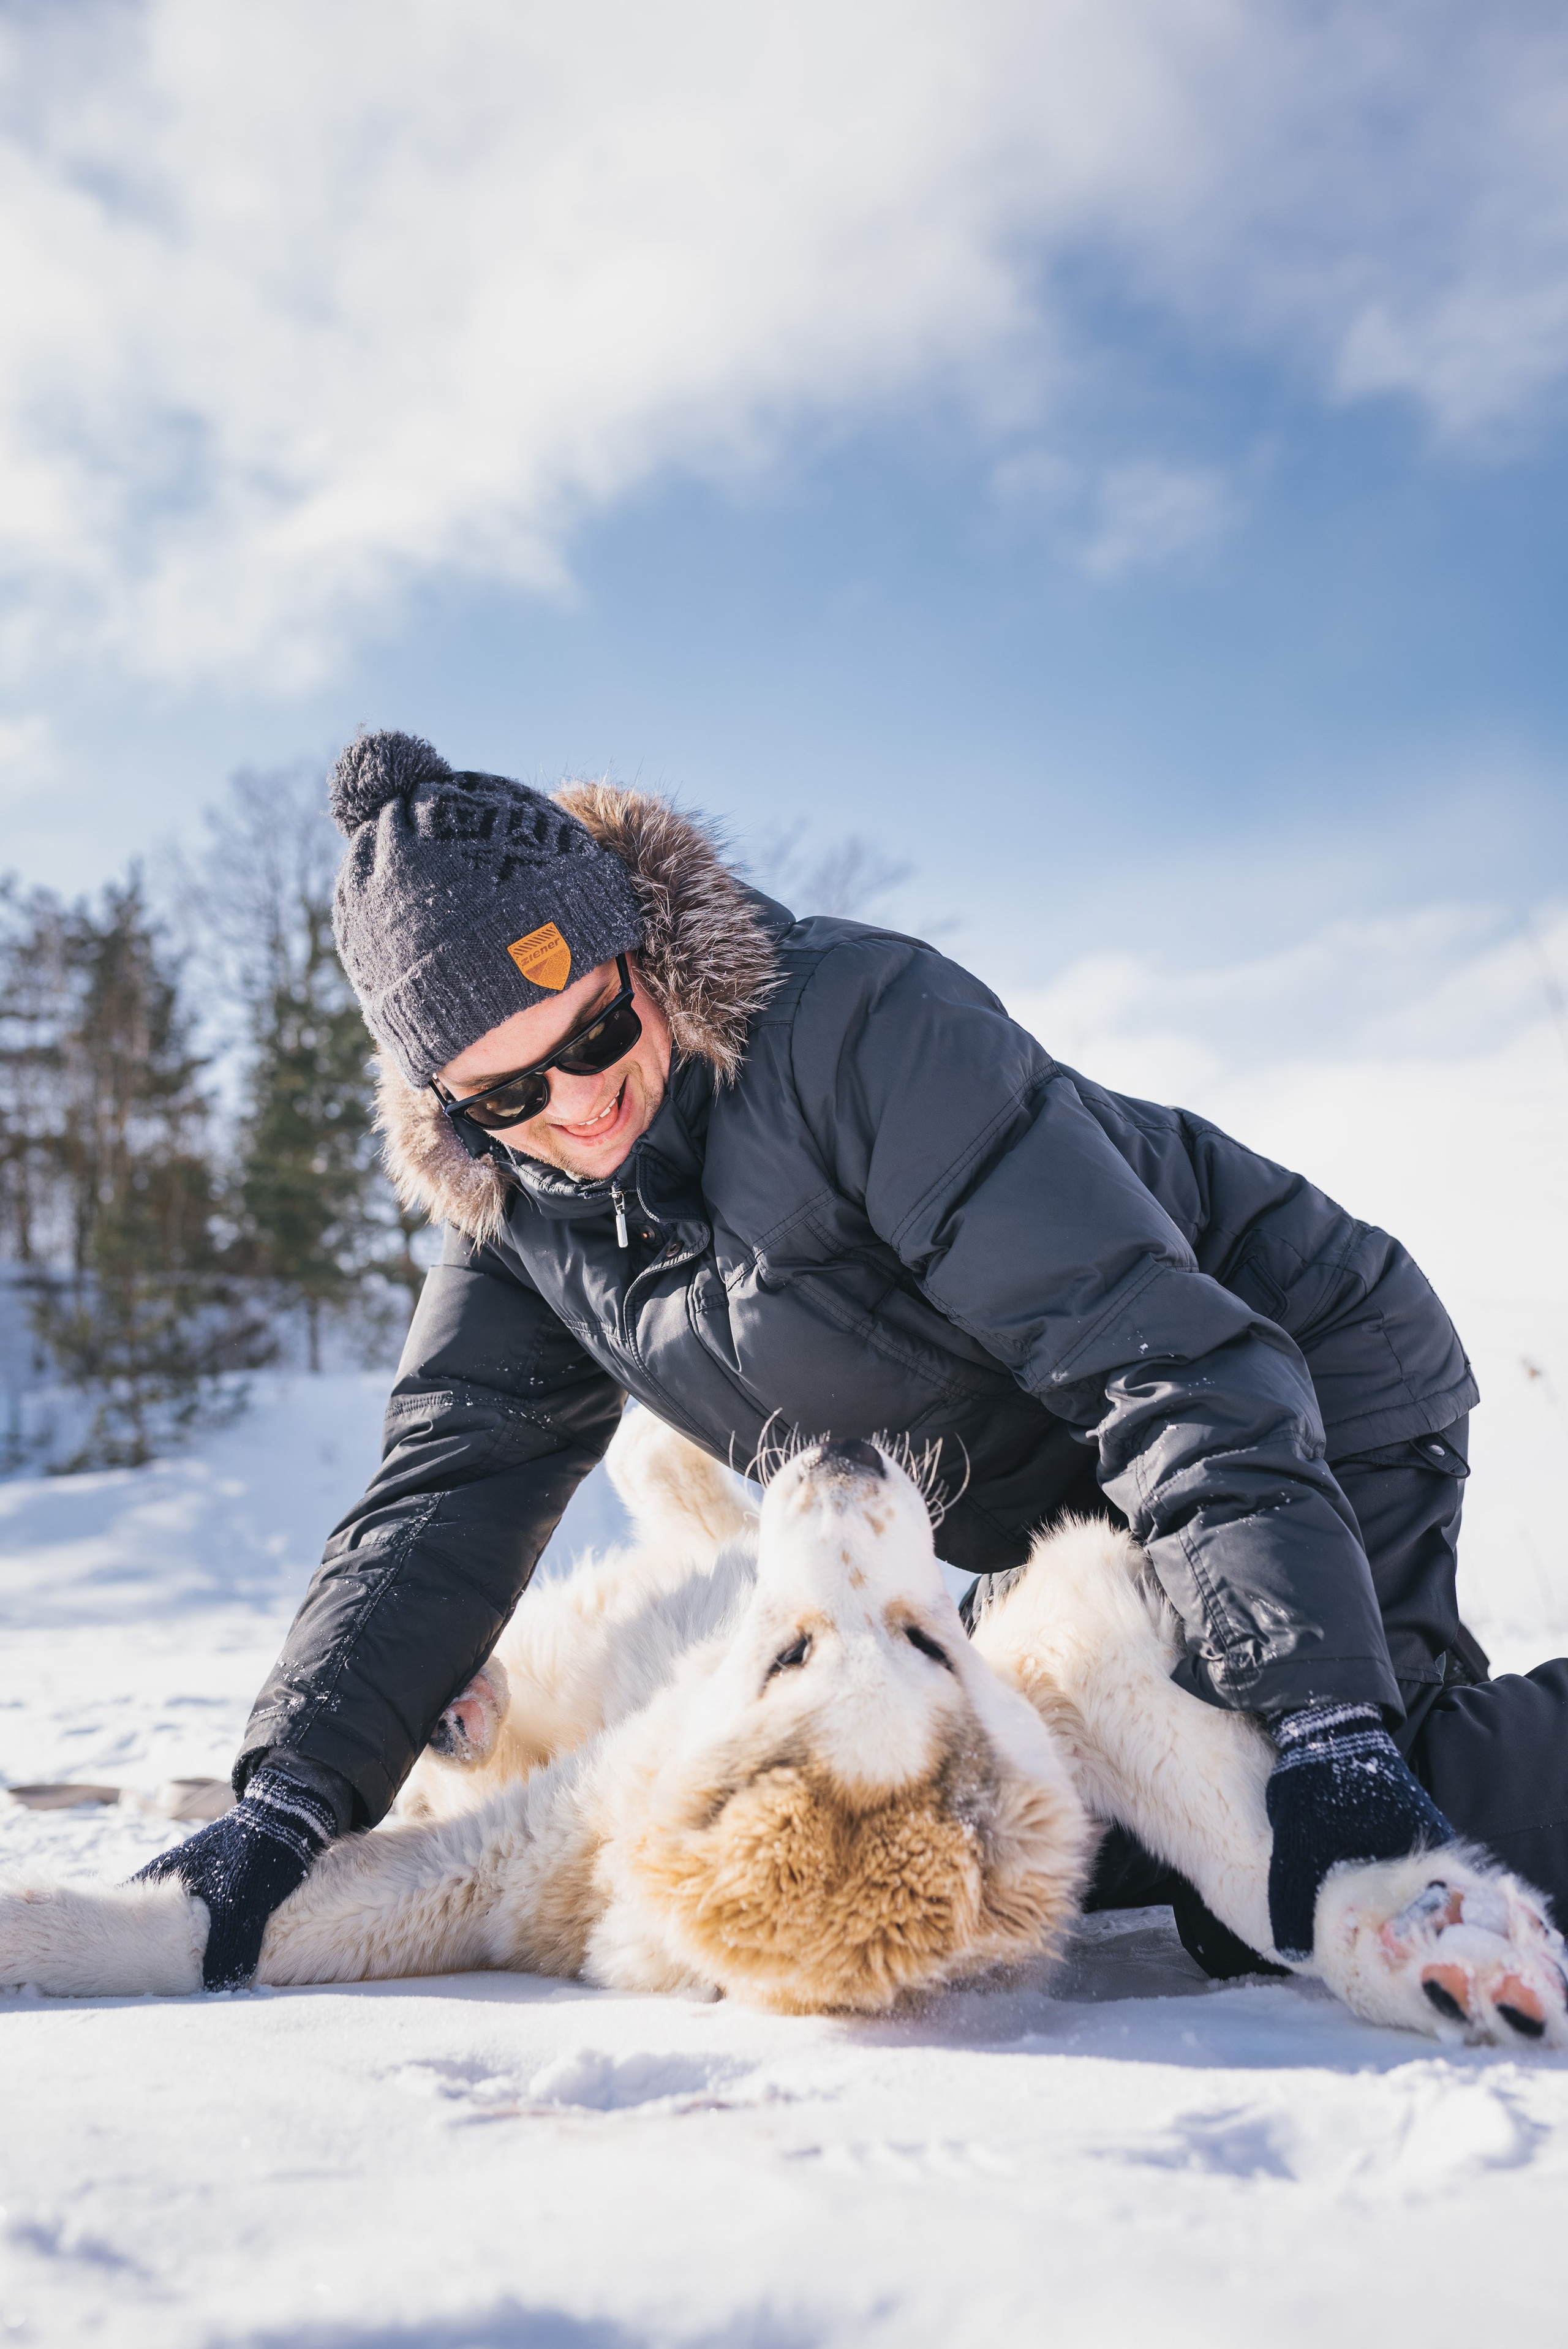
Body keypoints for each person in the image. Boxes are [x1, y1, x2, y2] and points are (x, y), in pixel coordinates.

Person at [145, 730, 1568, 1997]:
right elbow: (442, 1495)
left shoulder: (861, 1033)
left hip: (1288, 1378)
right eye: (512, 1091)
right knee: (1094, 1839)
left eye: (593, 1031)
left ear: (641, 951)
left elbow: (1162, 1354)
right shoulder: (521, 1221)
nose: (577, 1105)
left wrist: (1322, 1715)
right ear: (450, 1111)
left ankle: (1396, 1725)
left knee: (1314, 1826)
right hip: (1069, 1498)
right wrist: (291, 1802)